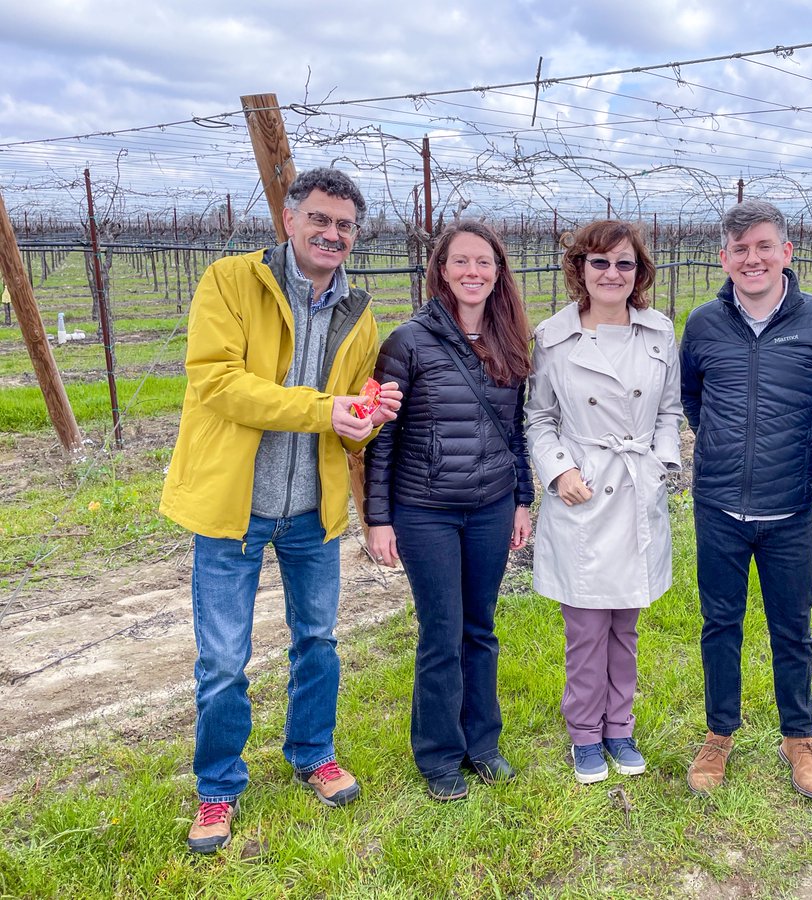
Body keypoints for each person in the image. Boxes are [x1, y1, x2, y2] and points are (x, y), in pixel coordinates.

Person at [160, 167, 402, 854]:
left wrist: (371, 416)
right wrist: (325, 410)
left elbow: (351, 416)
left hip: (311, 511)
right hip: (233, 507)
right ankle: (217, 790)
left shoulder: (358, 310)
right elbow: (219, 383)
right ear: (290, 221)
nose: (332, 234)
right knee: (224, 661)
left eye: (345, 226)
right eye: (320, 220)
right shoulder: (231, 283)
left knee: (317, 642)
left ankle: (312, 754)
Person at [679, 199, 812, 798]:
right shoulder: (703, 323)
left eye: (763, 247)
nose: (751, 259)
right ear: (724, 258)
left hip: (789, 508)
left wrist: (811, 470)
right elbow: (695, 403)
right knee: (719, 624)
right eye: (739, 250)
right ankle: (718, 735)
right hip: (718, 507)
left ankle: (799, 739)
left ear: (786, 252)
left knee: (793, 628)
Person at [364, 221, 534, 802]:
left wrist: (521, 500)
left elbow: (515, 431)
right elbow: (382, 437)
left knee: (480, 629)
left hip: (489, 506)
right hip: (425, 511)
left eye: (483, 263)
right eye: (460, 261)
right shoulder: (407, 342)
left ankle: (482, 745)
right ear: (440, 269)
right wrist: (378, 517)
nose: (472, 272)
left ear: (497, 272)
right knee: (442, 631)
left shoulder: (510, 339)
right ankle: (438, 754)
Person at [526, 220, 683, 784]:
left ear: (639, 272)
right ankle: (585, 734)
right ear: (580, 270)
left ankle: (620, 725)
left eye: (624, 263)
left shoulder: (660, 332)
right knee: (586, 627)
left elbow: (670, 408)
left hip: (636, 486)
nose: (612, 274)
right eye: (599, 263)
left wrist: (663, 462)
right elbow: (540, 417)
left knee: (626, 624)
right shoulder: (552, 337)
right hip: (585, 490)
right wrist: (559, 470)